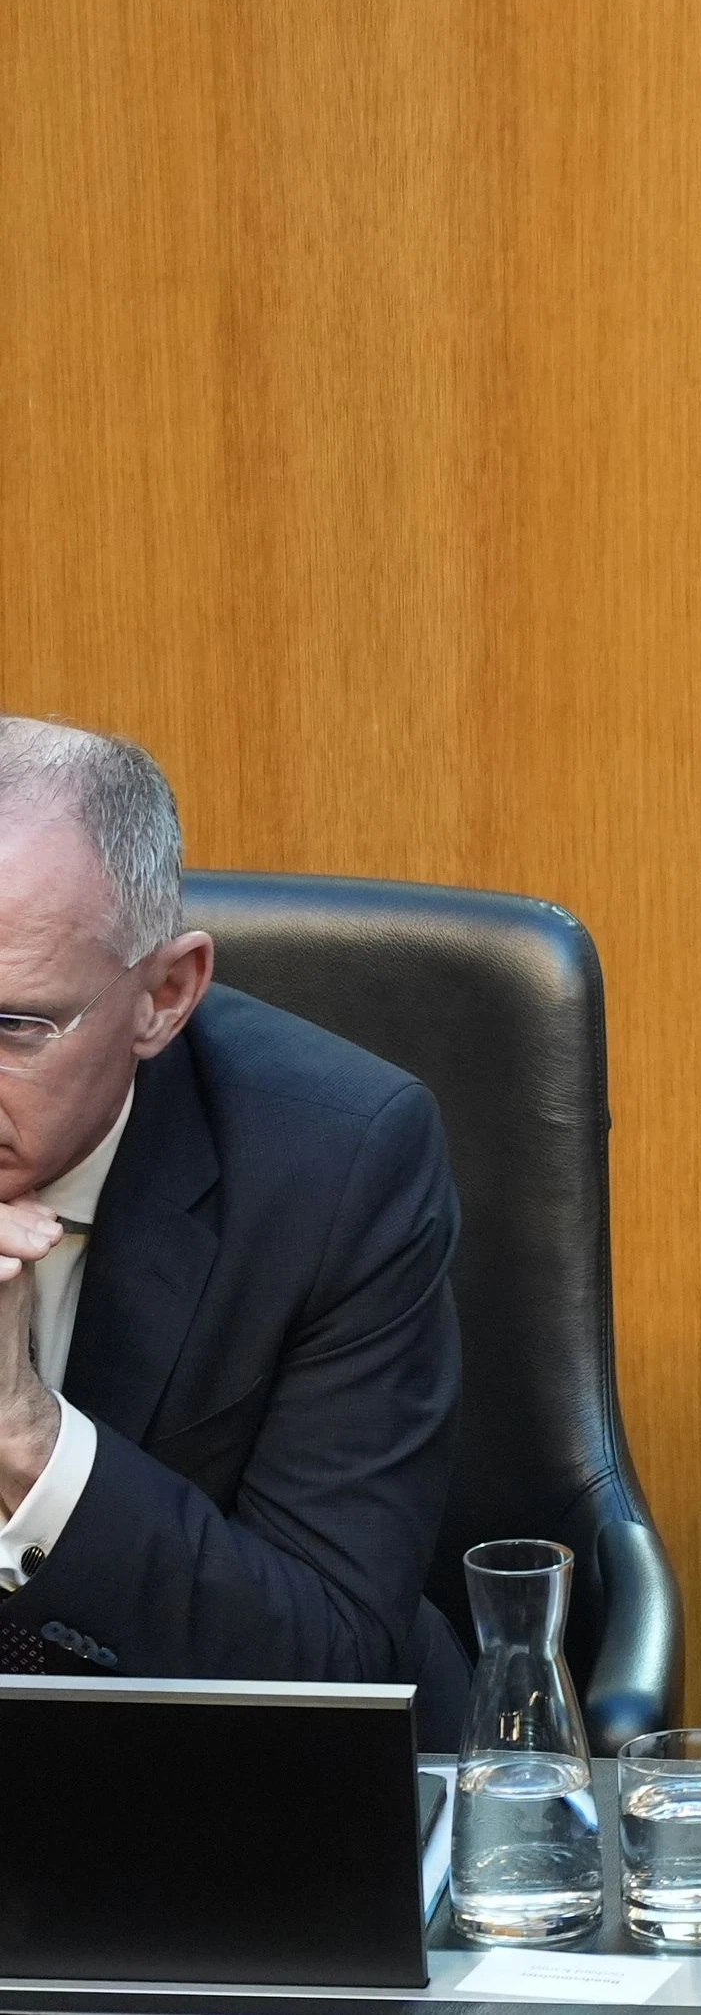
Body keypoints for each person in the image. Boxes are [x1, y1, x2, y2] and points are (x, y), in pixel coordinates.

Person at [0, 720, 466, 1711]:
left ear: (164, 996)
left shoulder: (335, 1166)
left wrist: (22, 1434)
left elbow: (333, 1664)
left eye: (12, 1027)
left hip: (223, 1799)